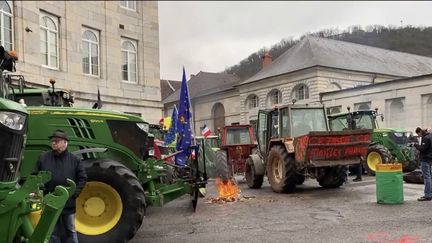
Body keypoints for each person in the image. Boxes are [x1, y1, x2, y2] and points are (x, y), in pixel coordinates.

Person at [36, 129, 87, 242]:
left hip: (68, 203)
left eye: (57, 141)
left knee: (70, 230)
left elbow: (82, 179)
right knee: (51, 231)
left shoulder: (75, 160)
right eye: (52, 141)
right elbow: (36, 176)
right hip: (50, 203)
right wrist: (41, 191)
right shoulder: (43, 158)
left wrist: (73, 194)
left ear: (65, 143)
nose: (53, 143)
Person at [413, 127, 432, 201]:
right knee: (430, 177)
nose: (419, 136)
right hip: (430, 159)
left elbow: (423, 149)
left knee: (427, 177)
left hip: (425, 159)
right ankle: (430, 193)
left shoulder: (426, 138)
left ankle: (427, 195)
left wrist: (415, 145)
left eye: (418, 134)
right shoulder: (430, 136)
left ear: (420, 132)